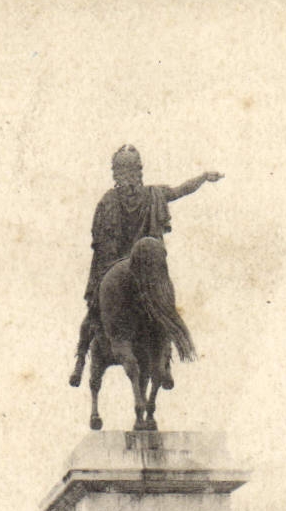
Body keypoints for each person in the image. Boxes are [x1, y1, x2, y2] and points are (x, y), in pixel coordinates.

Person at [70, 145, 223, 387]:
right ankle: (166, 363)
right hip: (148, 268)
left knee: (94, 311)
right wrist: (203, 178)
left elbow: (100, 241)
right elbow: (180, 191)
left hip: (115, 264)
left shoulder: (108, 200)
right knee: (163, 304)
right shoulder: (154, 194)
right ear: (138, 170)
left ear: (116, 172)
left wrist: (105, 271)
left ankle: (80, 360)